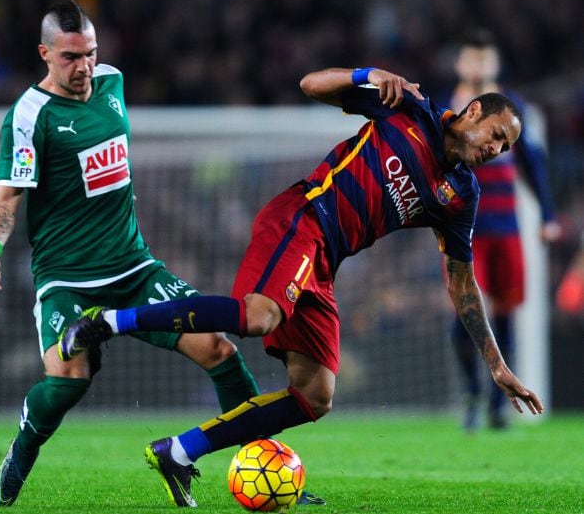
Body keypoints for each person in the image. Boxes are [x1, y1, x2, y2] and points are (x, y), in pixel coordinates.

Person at [58, 65, 546, 508]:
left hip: (325, 261)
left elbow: (462, 284)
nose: (496, 150)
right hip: (303, 215)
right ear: (475, 110)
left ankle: (179, 452)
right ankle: (109, 320)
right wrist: (367, 74)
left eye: (505, 148)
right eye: (498, 135)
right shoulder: (409, 109)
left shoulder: (461, 195)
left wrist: (497, 365)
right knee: (258, 315)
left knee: (316, 395)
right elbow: (310, 85)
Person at [0, 0, 321, 507]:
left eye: (90, 54)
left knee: (219, 349)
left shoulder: (112, 82)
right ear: (45, 53)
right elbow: (7, 200)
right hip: (68, 279)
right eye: (70, 57)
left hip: (134, 267)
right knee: (68, 382)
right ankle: (15, 464)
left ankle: (268, 471)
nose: (84, 67)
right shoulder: (28, 117)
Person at [443, 30, 560, 431]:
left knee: (505, 317)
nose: (478, 67)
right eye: (472, 59)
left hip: (506, 227)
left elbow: (534, 164)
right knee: (464, 315)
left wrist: (547, 216)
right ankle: (471, 394)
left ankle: (496, 404)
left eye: (485, 60)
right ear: (461, 64)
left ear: (495, 65)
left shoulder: (512, 113)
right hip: (464, 228)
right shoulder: (448, 110)